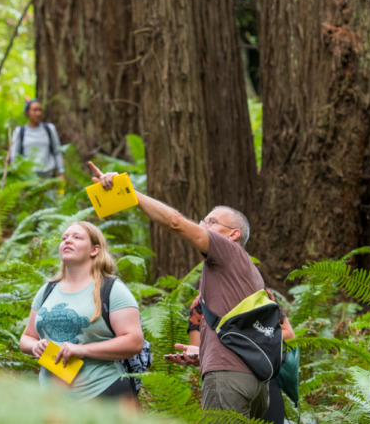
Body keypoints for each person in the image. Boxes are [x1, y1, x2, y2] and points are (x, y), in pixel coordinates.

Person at [90, 162, 268, 419]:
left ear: (233, 235)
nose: (202, 225)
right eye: (202, 220)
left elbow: (175, 222)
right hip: (253, 379)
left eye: (211, 221)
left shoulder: (226, 250)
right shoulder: (248, 272)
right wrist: (203, 352)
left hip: (228, 378)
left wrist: (127, 191)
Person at [19, 221, 144, 403]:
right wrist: (34, 346)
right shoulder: (48, 289)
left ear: (94, 250)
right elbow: (27, 337)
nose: (68, 241)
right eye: (64, 238)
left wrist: (82, 350)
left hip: (103, 392)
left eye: (77, 237)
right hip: (53, 399)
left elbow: (134, 341)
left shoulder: (112, 289)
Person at [166, 291, 296, 423]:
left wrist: (241, 339)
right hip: (223, 378)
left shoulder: (260, 292)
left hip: (263, 376)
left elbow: (288, 333)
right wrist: (196, 355)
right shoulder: (201, 301)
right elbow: (198, 349)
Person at [7, 99, 64, 179]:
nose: (38, 113)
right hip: (28, 179)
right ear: (27, 113)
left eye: (40, 110)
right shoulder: (19, 131)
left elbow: (57, 151)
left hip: (49, 178)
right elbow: (14, 154)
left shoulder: (50, 129)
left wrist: (61, 172)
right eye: (35, 110)